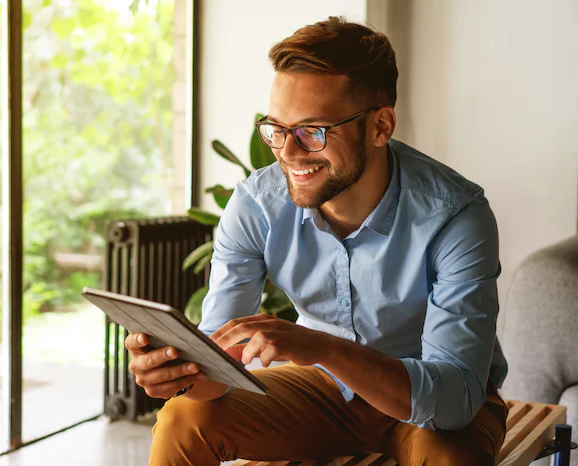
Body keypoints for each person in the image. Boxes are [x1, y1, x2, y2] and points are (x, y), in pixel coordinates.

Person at [126, 16, 509, 466]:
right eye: (276, 129)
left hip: (425, 393)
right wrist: (181, 373)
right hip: (321, 390)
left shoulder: (455, 216)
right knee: (182, 420)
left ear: (380, 126)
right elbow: (217, 374)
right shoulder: (257, 205)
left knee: (448, 457)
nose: (288, 153)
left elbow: (455, 400)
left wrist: (324, 348)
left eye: (313, 131)